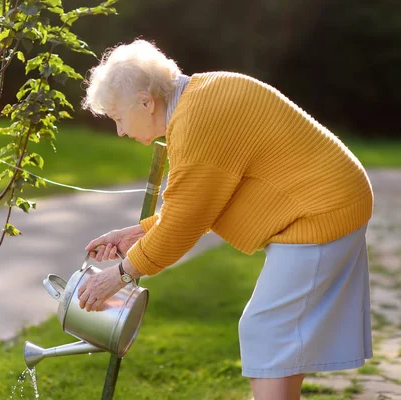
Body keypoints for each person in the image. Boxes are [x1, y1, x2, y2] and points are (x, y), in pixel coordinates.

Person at [76, 39, 373, 400]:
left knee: (267, 329)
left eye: (118, 118)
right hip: (326, 203)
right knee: (277, 334)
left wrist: (119, 275)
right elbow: (198, 207)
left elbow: (184, 223)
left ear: (145, 101)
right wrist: (138, 231)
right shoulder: (201, 96)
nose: (120, 131)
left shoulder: (195, 121)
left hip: (321, 210)